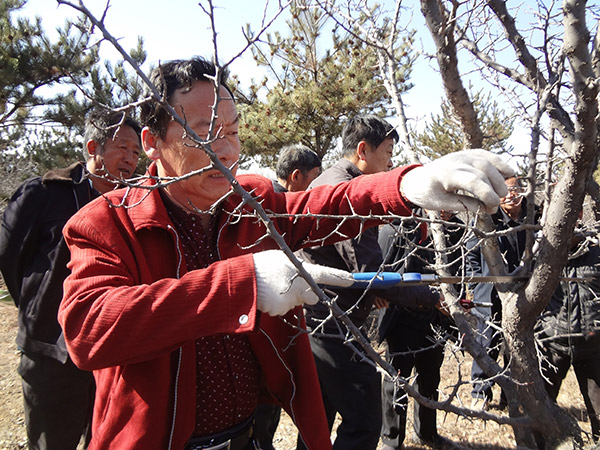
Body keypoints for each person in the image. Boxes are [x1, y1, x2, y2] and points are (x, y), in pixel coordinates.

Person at [56, 56, 514, 450]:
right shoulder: (108, 221)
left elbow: (320, 207)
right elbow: (88, 327)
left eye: (233, 131)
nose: (227, 150)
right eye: (203, 133)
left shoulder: (247, 203)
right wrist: (242, 284)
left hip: (246, 435)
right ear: (153, 142)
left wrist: (407, 185)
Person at [296, 115, 445, 450]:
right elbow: (369, 274)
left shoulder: (328, 180)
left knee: (319, 421)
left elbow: (356, 272)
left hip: (321, 315)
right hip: (335, 324)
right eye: (388, 152)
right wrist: (431, 296)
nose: (391, 162)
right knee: (364, 420)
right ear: (363, 150)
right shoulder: (349, 192)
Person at [0, 108, 141, 450]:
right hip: (51, 354)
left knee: (105, 441)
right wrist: (39, 309)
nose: (131, 159)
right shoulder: (43, 194)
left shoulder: (135, 203)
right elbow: (9, 258)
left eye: (136, 151)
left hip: (111, 353)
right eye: (122, 147)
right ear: (93, 147)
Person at [378, 211, 464, 450]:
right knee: (397, 380)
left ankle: (426, 432)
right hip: (402, 317)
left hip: (436, 319)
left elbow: (458, 271)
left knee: (430, 377)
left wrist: (453, 301)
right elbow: (386, 275)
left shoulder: (454, 229)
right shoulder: (400, 227)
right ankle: (391, 440)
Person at [255, 143, 321, 450]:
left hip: (278, 322)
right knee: (260, 418)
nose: (316, 189)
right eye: (314, 179)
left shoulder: (276, 203)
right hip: (262, 329)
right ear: (296, 177)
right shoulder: (268, 207)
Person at [467, 176, 534, 408]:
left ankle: (512, 396)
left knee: (518, 346)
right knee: (487, 344)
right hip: (490, 296)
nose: (511, 195)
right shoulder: (488, 219)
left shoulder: (532, 218)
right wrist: (478, 285)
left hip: (524, 295)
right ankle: (480, 394)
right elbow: (471, 255)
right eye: (505, 190)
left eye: (515, 189)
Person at [536, 223, 600, 444]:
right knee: (541, 408)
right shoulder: (542, 253)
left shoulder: (596, 251)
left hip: (593, 347)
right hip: (553, 344)